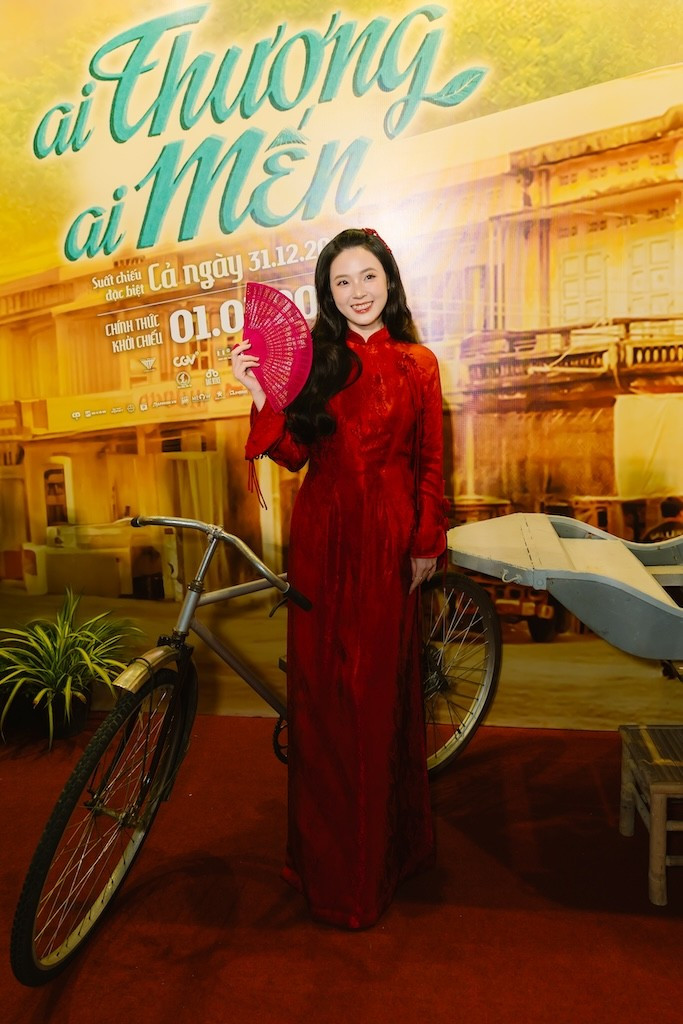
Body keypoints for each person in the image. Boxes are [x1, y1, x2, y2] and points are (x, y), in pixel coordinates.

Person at [231, 227, 447, 929]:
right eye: (341, 282)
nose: (357, 292)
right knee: (324, 699)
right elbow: (294, 454)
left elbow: (430, 462)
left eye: (367, 277)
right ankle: (328, 871)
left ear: (389, 280)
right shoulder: (315, 362)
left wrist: (426, 541)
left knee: (377, 695)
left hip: (388, 541)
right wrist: (259, 391)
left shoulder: (419, 364)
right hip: (321, 538)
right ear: (327, 294)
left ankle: (386, 855)